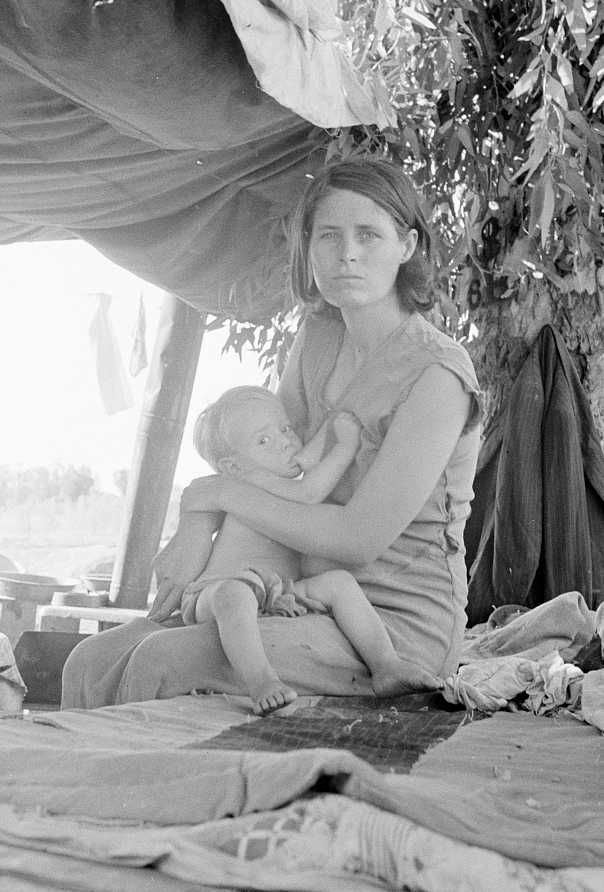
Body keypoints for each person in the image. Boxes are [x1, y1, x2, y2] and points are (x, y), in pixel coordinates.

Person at [61, 157, 481, 710]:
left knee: (161, 661)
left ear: (406, 245)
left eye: (369, 235)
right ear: (307, 247)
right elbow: (266, 467)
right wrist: (196, 523)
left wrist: (210, 493)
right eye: (328, 235)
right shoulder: (320, 337)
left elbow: (358, 539)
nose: (347, 254)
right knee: (88, 661)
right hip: (296, 592)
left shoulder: (437, 374)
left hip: (390, 622)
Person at [181, 384, 438, 715]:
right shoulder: (251, 481)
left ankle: (386, 665)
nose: (286, 440)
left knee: (339, 583)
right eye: (264, 440)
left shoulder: (275, 480)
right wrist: (346, 444)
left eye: (285, 428)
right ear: (233, 467)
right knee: (236, 593)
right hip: (217, 592)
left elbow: (308, 474)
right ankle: (260, 681)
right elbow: (309, 492)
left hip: (276, 592)